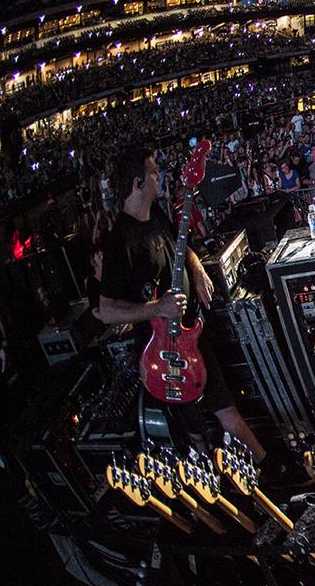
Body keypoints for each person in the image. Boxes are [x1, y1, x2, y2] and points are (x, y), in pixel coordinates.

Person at [96, 149, 271, 466]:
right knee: (196, 432)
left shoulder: (156, 215)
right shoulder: (118, 240)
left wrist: (197, 268)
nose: (158, 175)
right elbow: (107, 310)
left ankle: (266, 470)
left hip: (192, 334)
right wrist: (156, 308)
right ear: (137, 182)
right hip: (165, 353)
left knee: (227, 409)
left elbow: (181, 246)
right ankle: (214, 486)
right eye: (152, 171)